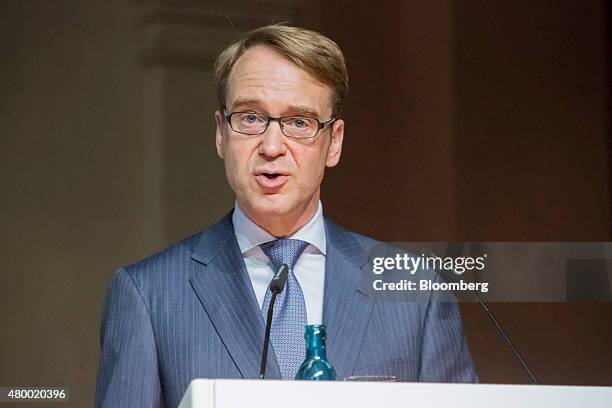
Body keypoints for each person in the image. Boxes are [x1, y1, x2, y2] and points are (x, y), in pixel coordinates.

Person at [95, 24, 477, 408]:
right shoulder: (148, 295)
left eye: (299, 122)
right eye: (249, 118)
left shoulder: (416, 291)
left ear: (334, 143)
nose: (272, 146)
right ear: (220, 135)